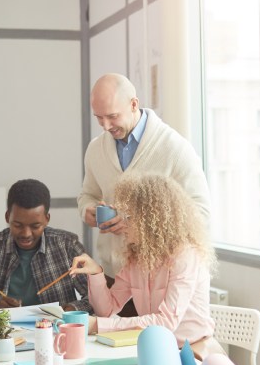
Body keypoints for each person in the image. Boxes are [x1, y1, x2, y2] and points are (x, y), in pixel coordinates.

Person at [70, 173, 223, 359]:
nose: (122, 224)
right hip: (158, 348)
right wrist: (96, 273)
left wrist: (97, 325)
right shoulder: (137, 256)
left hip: (192, 352)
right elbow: (107, 310)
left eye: (128, 217)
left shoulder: (185, 256)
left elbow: (165, 322)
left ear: (151, 221)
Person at [78, 73, 211, 282]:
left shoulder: (175, 148)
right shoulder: (96, 149)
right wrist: (87, 210)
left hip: (160, 279)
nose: (105, 126)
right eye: (99, 117)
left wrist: (136, 224)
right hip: (113, 275)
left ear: (133, 104)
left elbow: (201, 214)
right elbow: (88, 195)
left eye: (112, 116)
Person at [0, 179, 92, 314]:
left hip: (56, 333)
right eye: (18, 225)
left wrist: (71, 309)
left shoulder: (67, 245)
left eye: (35, 226)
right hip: (3, 335)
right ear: (7, 217)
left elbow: (97, 300)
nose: (26, 234)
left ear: (47, 219)